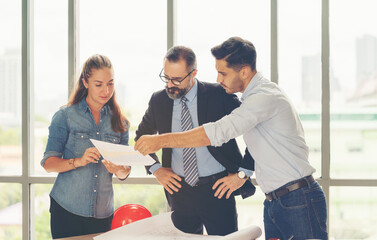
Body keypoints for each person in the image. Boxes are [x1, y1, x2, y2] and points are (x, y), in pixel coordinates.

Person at [135, 37, 328, 240]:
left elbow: (218, 132)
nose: (219, 79)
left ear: (243, 72)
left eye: (223, 73)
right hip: (275, 199)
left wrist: (160, 141)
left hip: (296, 199)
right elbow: (256, 142)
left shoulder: (262, 98)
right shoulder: (251, 99)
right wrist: (156, 168)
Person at [134, 46, 255, 236]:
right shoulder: (158, 100)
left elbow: (256, 131)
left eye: (176, 79)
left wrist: (244, 173)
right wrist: (156, 169)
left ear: (193, 73)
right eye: (166, 77)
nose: (170, 84)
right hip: (179, 192)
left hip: (218, 190)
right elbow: (141, 139)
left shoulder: (220, 94)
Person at [41, 54, 131, 239]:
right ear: (85, 82)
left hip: (103, 214)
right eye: (98, 84)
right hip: (67, 210)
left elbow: (125, 171)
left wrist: (119, 169)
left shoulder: (120, 122)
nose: (106, 90)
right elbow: (48, 163)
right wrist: (78, 161)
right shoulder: (65, 116)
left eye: (111, 83)